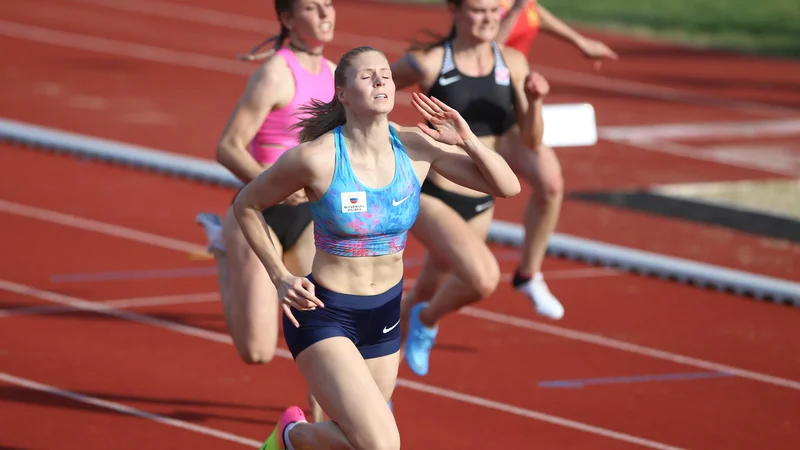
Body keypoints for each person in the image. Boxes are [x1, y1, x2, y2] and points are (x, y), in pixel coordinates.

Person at [233, 45, 520, 450]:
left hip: (383, 315)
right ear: (343, 94)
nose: (381, 80)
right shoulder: (317, 159)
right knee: (382, 445)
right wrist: (279, 276)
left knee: (356, 442)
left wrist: (467, 139)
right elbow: (247, 204)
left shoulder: (416, 147)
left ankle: (291, 440)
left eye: (384, 73)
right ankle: (290, 437)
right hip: (325, 313)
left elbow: (507, 187)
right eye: (366, 75)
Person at [389, 0, 569, 377]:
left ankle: (380, 383)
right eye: (477, 9)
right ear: (455, 11)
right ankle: (430, 320)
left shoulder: (512, 63)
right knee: (482, 278)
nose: (488, 18)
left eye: (493, 11)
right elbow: (371, 88)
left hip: (481, 198)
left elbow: (532, 141)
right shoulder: (429, 62)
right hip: (433, 193)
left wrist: (535, 102)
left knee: (425, 290)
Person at [194, 0, 336, 422]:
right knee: (255, 352)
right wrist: (272, 185)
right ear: (289, 20)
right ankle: (223, 247)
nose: (326, 14)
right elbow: (228, 146)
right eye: (312, 8)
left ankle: (322, 423)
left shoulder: (333, 75)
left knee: (324, 327)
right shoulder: (275, 73)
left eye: (329, 4)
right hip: (260, 214)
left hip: (313, 217)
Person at [497, 0, 618, 68]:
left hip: (517, 81)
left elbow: (534, 11)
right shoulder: (484, 5)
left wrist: (581, 41)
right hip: (490, 82)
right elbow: (490, 46)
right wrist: (515, 11)